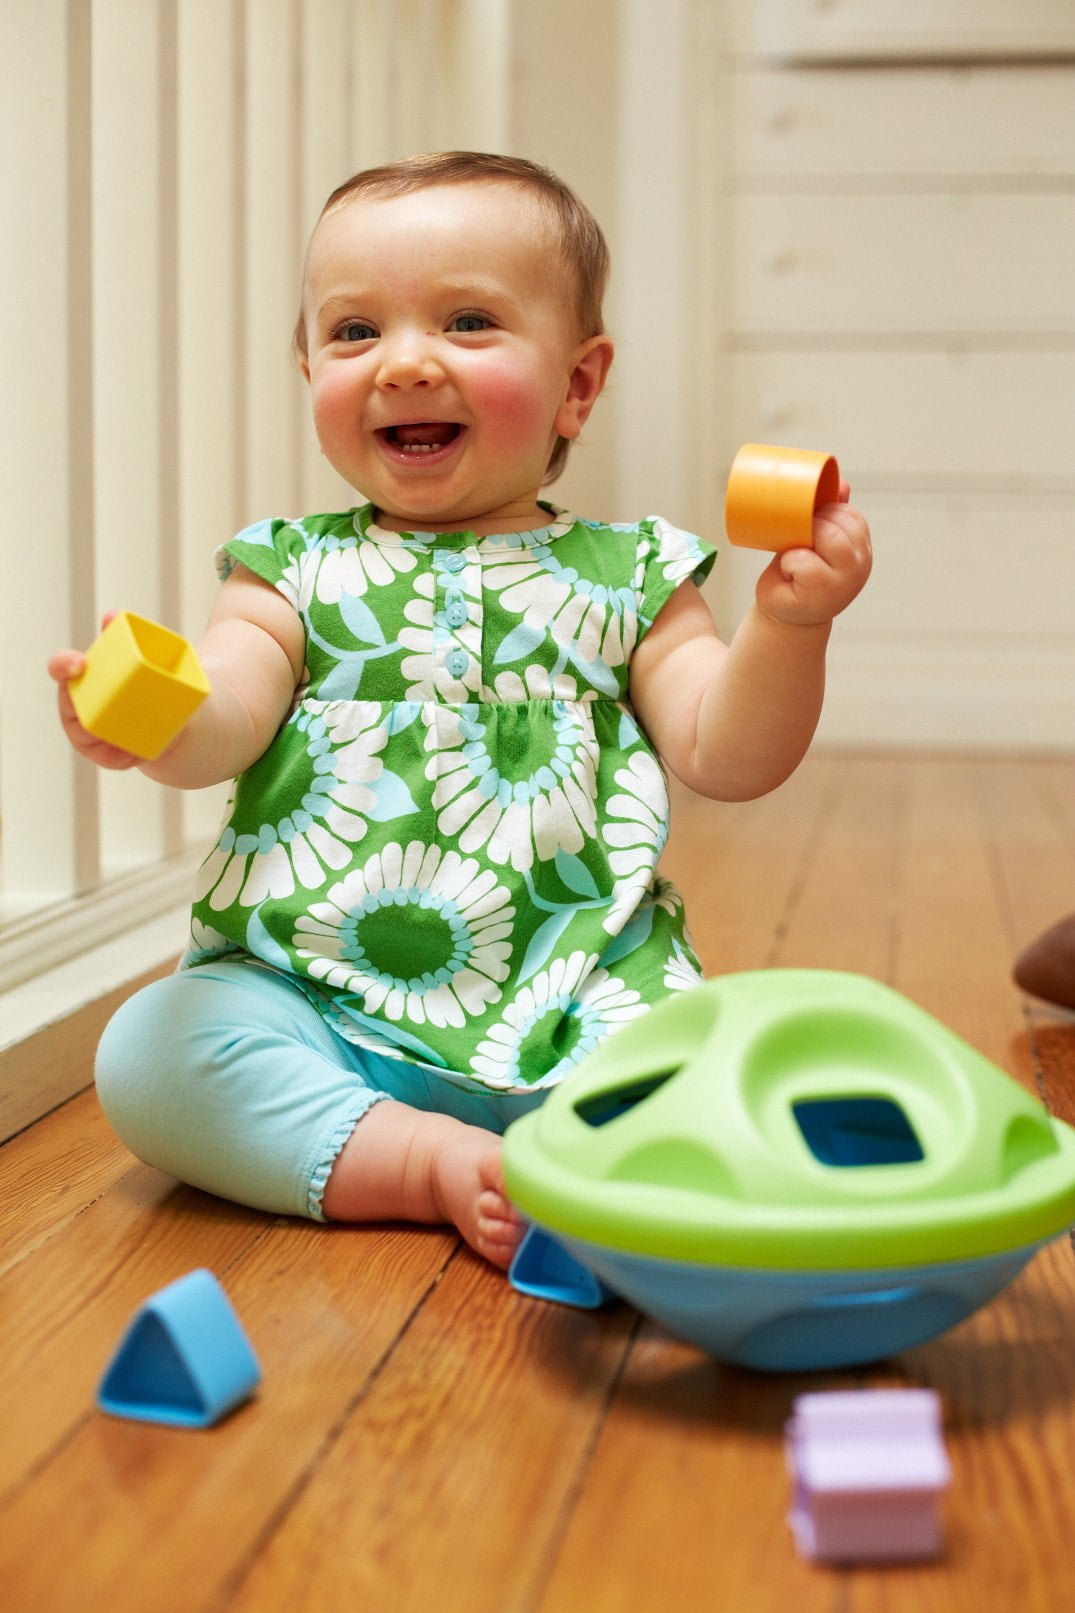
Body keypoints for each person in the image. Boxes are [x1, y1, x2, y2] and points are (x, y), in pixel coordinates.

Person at [49, 152, 872, 1268]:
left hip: (579, 990)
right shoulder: (286, 571)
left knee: (702, 1056)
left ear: (577, 383)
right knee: (151, 1049)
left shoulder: (631, 574)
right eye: (352, 333)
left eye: (468, 321)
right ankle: (414, 1155)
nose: (403, 363)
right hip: (316, 997)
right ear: (307, 369)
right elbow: (226, 719)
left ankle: (596, 1142)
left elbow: (724, 753)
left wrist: (790, 625)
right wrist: (156, 721)